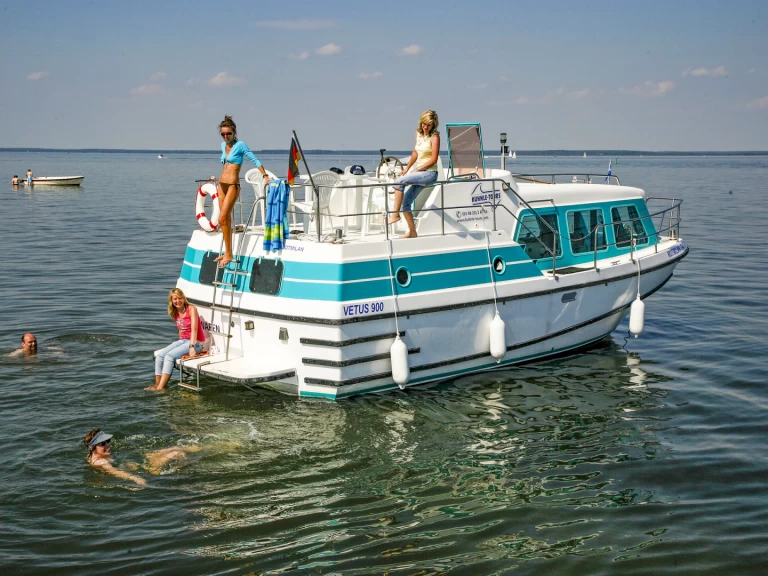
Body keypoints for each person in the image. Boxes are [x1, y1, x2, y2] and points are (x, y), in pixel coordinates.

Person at [216, 115, 270, 268]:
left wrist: (265, 176)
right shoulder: (222, 146)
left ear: (234, 132)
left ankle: (229, 253)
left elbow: (255, 160)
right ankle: (228, 251)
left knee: (222, 218)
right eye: (223, 134)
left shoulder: (240, 145)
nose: (226, 137)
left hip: (233, 185)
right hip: (221, 185)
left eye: (228, 133)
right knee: (225, 221)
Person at [387, 110, 441, 238]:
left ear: (433, 125)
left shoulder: (434, 137)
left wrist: (418, 169)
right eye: (423, 124)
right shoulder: (418, 134)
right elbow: (415, 153)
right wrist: (407, 168)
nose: (425, 127)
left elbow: (434, 159)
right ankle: (412, 232)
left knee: (399, 181)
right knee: (406, 202)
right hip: (420, 172)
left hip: (430, 173)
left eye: (428, 124)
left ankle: (395, 214)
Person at [146, 288, 206, 391]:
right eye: (175, 299)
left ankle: (160, 388)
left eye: (180, 298)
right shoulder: (174, 312)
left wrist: (191, 347)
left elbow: (194, 329)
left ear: (183, 298)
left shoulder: (191, 309)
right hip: (182, 341)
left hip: (195, 343)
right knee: (160, 356)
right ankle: (157, 384)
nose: (178, 301)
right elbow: (180, 330)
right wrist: (179, 345)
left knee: (169, 357)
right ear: (171, 301)